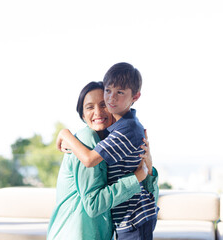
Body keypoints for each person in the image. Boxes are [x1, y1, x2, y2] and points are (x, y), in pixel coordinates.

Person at [56, 63, 158, 240]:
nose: (109, 102)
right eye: (108, 91)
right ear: (81, 114)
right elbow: (93, 204)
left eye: (103, 105)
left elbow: (150, 193)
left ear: (135, 96)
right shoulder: (89, 138)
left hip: (131, 222)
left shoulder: (122, 133)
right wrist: (139, 176)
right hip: (89, 231)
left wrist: (148, 170)